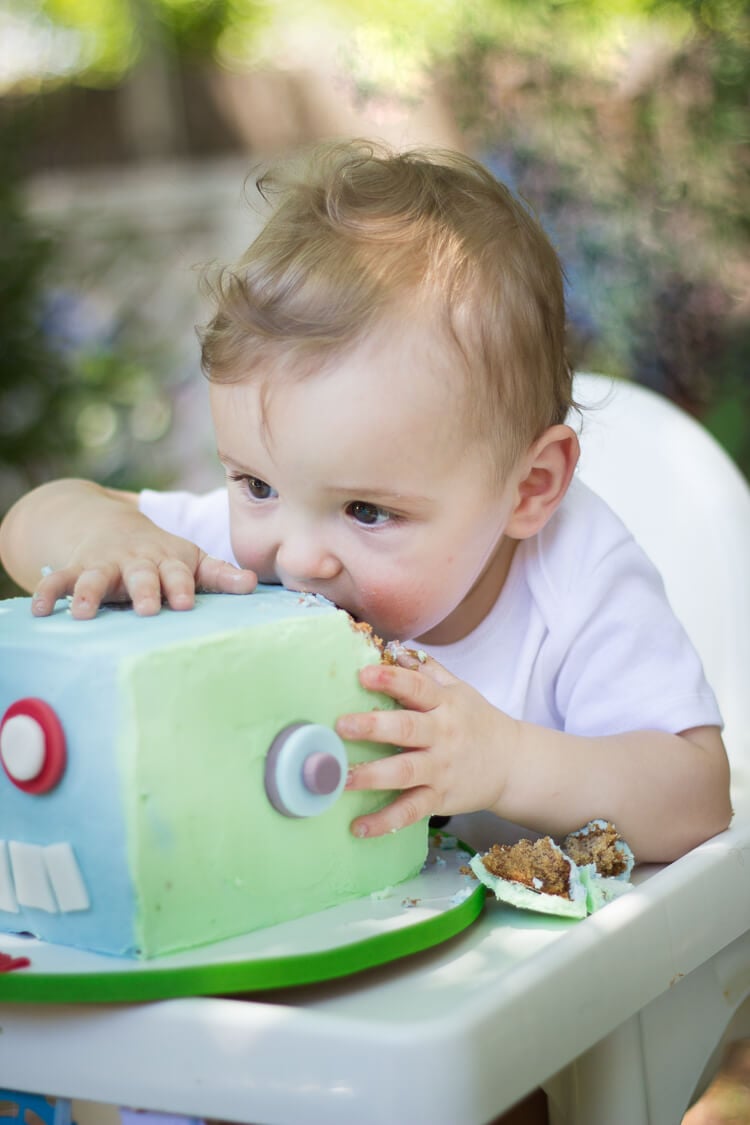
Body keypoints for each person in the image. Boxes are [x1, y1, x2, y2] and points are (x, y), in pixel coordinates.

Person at [0, 140, 731, 1124]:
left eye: (369, 514)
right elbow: (36, 520)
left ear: (530, 488)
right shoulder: (254, 548)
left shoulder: (576, 581)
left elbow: (697, 798)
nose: (297, 557)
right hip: (277, 975)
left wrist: (508, 764)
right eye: (253, 484)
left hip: (507, 1023)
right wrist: (104, 534)